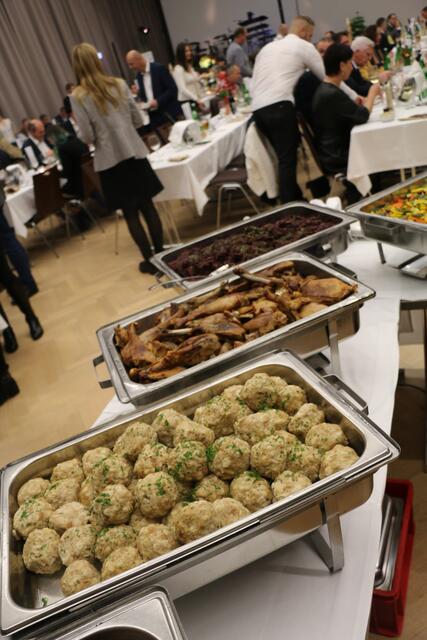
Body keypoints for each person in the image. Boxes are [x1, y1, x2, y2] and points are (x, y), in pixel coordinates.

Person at [71, 43, 164, 274]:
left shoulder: (78, 97)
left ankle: (149, 262)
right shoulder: (119, 84)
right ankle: (163, 257)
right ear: (96, 60)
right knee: (148, 207)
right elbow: (138, 120)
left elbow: (87, 136)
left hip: (110, 162)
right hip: (134, 153)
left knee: (130, 214)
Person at [251, 15, 324, 203]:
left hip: (258, 111)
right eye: (310, 35)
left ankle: (295, 199)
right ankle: (288, 207)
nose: (310, 39)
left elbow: (253, 85)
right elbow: (327, 77)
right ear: (303, 32)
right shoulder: (303, 46)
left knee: (282, 159)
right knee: (287, 160)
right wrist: (353, 95)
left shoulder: (267, 48)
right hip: (280, 107)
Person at [312, 43, 380, 202]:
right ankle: (373, 196)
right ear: (342, 65)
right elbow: (362, 116)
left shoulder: (326, 89)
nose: (351, 67)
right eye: (350, 63)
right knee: (378, 150)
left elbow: (352, 112)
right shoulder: (331, 93)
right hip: (339, 156)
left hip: (333, 150)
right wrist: (372, 92)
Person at [126, 50, 182, 131]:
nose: (130, 67)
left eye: (131, 64)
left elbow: (172, 89)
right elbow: (146, 97)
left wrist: (158, 101)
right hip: (154, 118)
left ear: (139, 59)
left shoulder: (159, 68)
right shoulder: (139, 76)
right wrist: (138, 94)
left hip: (169, 114)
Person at [46, 125, 89, 199]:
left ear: (53, 138)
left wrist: (56, 175)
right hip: (89, 175)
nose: (50, 143)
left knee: (54, 191)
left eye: (50, 140)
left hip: (78, 183)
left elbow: (67, 172)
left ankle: (76, 205)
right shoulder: (74, 139)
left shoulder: (62, 148)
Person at [173, 42, 204, 109]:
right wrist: (196, 99)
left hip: (196, 99)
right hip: (187, 101)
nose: (189, 53)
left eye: (190, 50)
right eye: (186, 51)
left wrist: (201, 77)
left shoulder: (189, 66)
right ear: (181, 53)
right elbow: (182, 89)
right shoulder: (178, 69)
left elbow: (194, 80)